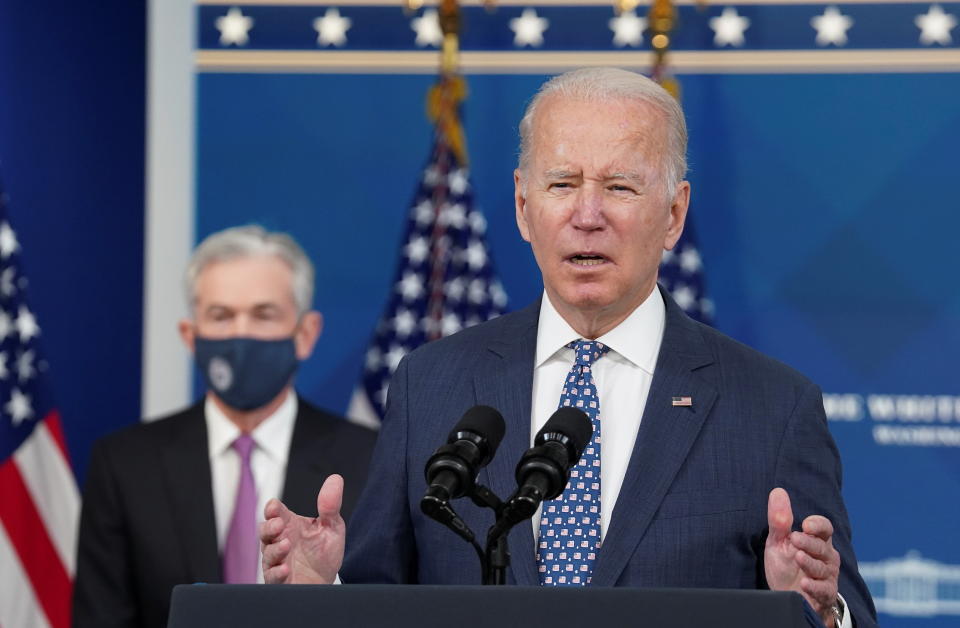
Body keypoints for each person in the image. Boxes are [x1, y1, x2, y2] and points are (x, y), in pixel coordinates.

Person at [259, 68, 878, 628]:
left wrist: (818, 612)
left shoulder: (773, 408)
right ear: (525, 207)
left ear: (673, 214)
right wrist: (323, 591)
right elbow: (380, 602)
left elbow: (843, 612)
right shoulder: (431, 383)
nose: (587, 215)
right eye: (562, 184)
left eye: (620, 187)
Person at [73, 226, 377, 628]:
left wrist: (326, 590)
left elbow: (391, 609)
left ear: (305, 334)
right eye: (221, 316)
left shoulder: (372, 459)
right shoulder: (126, 464)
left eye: (263, 314)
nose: (240, 334)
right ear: (190, 335)